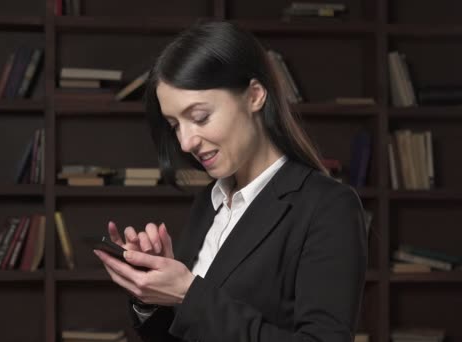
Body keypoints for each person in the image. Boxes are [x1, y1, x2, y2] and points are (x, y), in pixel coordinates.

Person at [94, 21, 367, 342]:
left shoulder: (327, 207)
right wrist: (152, 295)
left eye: (199, 118)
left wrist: (187, 293)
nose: (185, 143)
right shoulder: (208, 203)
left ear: (254, 96)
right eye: (174, 125)